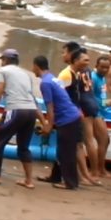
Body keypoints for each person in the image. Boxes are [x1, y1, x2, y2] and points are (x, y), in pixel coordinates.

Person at [0, 49, 48, 188]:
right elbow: (33, 98)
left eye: (2, 60)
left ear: (5, 60)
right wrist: (43, 120)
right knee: (23, 147)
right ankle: (29, 180)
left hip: (15, 110)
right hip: (30, 112)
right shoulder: (26, 75)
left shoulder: (2, 71)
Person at [33, 55, 82, 190]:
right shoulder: (53, 78)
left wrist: (49, 126)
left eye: (33, 67)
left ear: (37, 66)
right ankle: (55, 177)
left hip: (67, 118)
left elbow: (50, 107)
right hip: (72, 115)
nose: (33, 70)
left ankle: (70, 182)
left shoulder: (45, 83)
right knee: (62, 150)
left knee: (67, 152)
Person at [59, 48, 99, 186]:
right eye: (85, 60)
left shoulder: (76, 73)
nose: (87, 62)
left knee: (79, 144)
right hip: (70, 114)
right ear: (75, 59)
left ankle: (86, 175)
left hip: (75, 113)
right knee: (76, 145)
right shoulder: (67, 75)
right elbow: (58, 94)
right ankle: (81, 176)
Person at [91, 56, 111, 178]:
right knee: (103, 140)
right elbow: (89, 96)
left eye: (107, 67)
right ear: (97, 66)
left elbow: (101, 97)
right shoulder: (94, 78)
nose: (105, 69)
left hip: (101, 112)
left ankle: (100, 168)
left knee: (105, 141)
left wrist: (108, 103)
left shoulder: (102, 78)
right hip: (95, 113)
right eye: (102, 67)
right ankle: (100, 169)